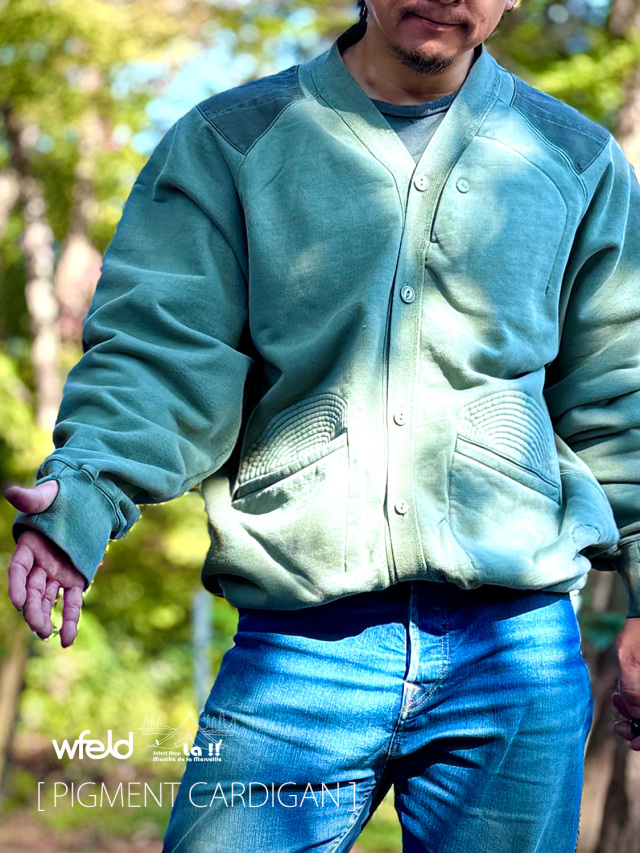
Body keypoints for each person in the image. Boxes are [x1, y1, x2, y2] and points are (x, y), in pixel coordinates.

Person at [6, 0, 640, 848]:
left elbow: (621, 393)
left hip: (516, 648)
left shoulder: (575, 159)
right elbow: (162, 353)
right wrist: (86, 492)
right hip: (299, 641)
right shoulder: (232, 141)